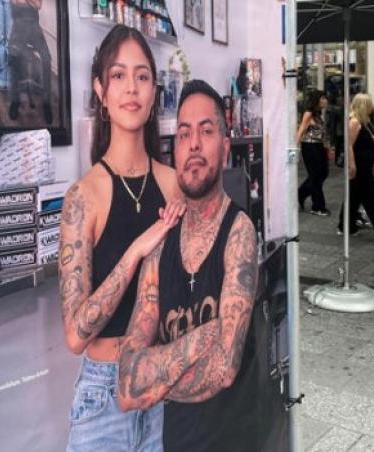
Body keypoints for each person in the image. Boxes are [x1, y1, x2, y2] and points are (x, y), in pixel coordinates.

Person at [59, 25, 185, 452]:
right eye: (118, 75)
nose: (131, 88)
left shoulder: (174, 186)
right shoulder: (83, 196)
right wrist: (136, 250)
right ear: (101, 90)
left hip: (162, 388)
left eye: (142, 76)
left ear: (154, 92)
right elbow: (75, 336)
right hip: (103, 399)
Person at [115, 80, 259, 452]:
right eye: (183, 134)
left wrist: (156, 374)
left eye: (206, 131)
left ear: (225, 148)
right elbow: (127, 385)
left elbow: (225, 367)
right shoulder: (161, 245)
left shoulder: (239, 232)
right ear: (174, 150)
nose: (194, 144)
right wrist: (206, 338)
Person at [338, 93, 374, 243]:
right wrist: (352, 165)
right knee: (372, 199)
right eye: (369, 104)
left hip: (364, 166)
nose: (372, 108)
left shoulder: (364, 122)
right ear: (362, 106)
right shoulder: (354, 122)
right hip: (360, 168)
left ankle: (346, 226)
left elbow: (370, 144)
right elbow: (349, 146)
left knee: (353, 198)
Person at [297, 90, 332, 216]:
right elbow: (301, 130)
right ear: (317, 99)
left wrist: (328, 148)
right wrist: (295, 148)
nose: (325, 101)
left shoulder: (318, 114)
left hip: (319, 146)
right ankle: (317, 206)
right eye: (323, 98)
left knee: (323, 173)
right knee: (316, 176)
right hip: (309, 146)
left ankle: (301, 193)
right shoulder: (309, 113)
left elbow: (323, 133)